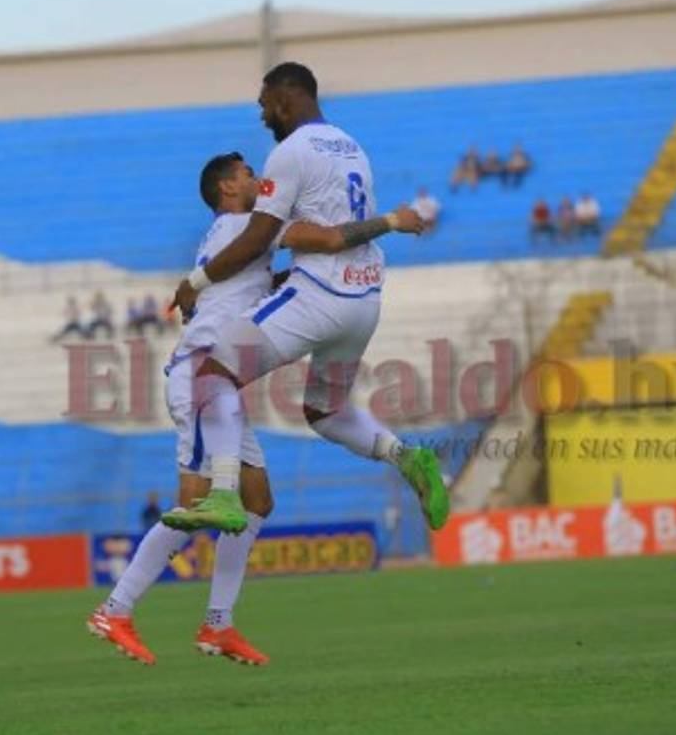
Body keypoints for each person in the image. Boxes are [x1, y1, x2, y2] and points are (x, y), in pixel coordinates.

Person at [90, 145, 426, 666]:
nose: (260, 180)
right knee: (195, 505)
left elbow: (264, 282)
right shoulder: (249, 227)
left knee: (257, 501)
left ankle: (218, 624)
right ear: (228, 187)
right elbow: (327, 238)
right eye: (249, 174)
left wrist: (313, 282)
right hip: (201, 376)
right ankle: (115, 611)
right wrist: (392, 222)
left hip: (216, 381)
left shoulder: (232, 238)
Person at [166, 62, 448, 539]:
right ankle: (406, 456)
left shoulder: (289, 153)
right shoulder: (352, 147)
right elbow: (330, 230)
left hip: (319, 296)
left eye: (264, 105)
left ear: (284, 99)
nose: (262, 116)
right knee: (325, 411)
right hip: (364, 302)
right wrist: (390, 222)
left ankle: (224, 495)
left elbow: (260, 238)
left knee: (213, 372)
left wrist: (195, 281)